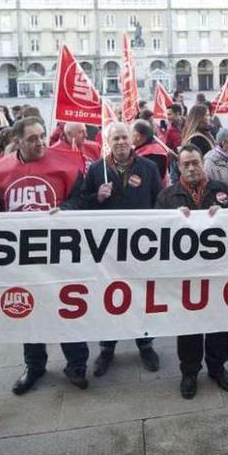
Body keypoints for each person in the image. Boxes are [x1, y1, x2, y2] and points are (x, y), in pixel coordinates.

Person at [0, 117, 90, 394]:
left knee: (69, 309)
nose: (40, 142)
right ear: (17, 141)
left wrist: (65, 210)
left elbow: (82, 200)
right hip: (22, 258)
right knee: (29, 311)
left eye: (42, 136)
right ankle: (34, 365)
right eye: (32, 139)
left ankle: (76, 365)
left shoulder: (67, 165)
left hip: (61, 254)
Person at [155, 144, 228, 399]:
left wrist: (226, 215)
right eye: (186, 164)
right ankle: (189, 372)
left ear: (203, 163)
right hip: (186, 274)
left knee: (218, 322)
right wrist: (171, 218)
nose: (191, 168)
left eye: (195, 162)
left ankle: (217, 367)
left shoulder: (222, 191)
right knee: (189, 324)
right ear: (178, 167)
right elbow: (154, 232)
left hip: (217, 272)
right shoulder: (168, 196)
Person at [81, 122, 162, 377]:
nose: (120, 142)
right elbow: (82, 205)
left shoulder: (148, 167)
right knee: (108, 297)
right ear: (108, 141)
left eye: (124, 137)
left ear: (132, 139)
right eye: (115, 138)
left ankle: (145, 343)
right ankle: (107, 347)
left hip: (142, 247)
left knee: (141, 296)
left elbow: (160, 202)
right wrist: (98, 198)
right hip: (108, 249)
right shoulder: (96, 170)